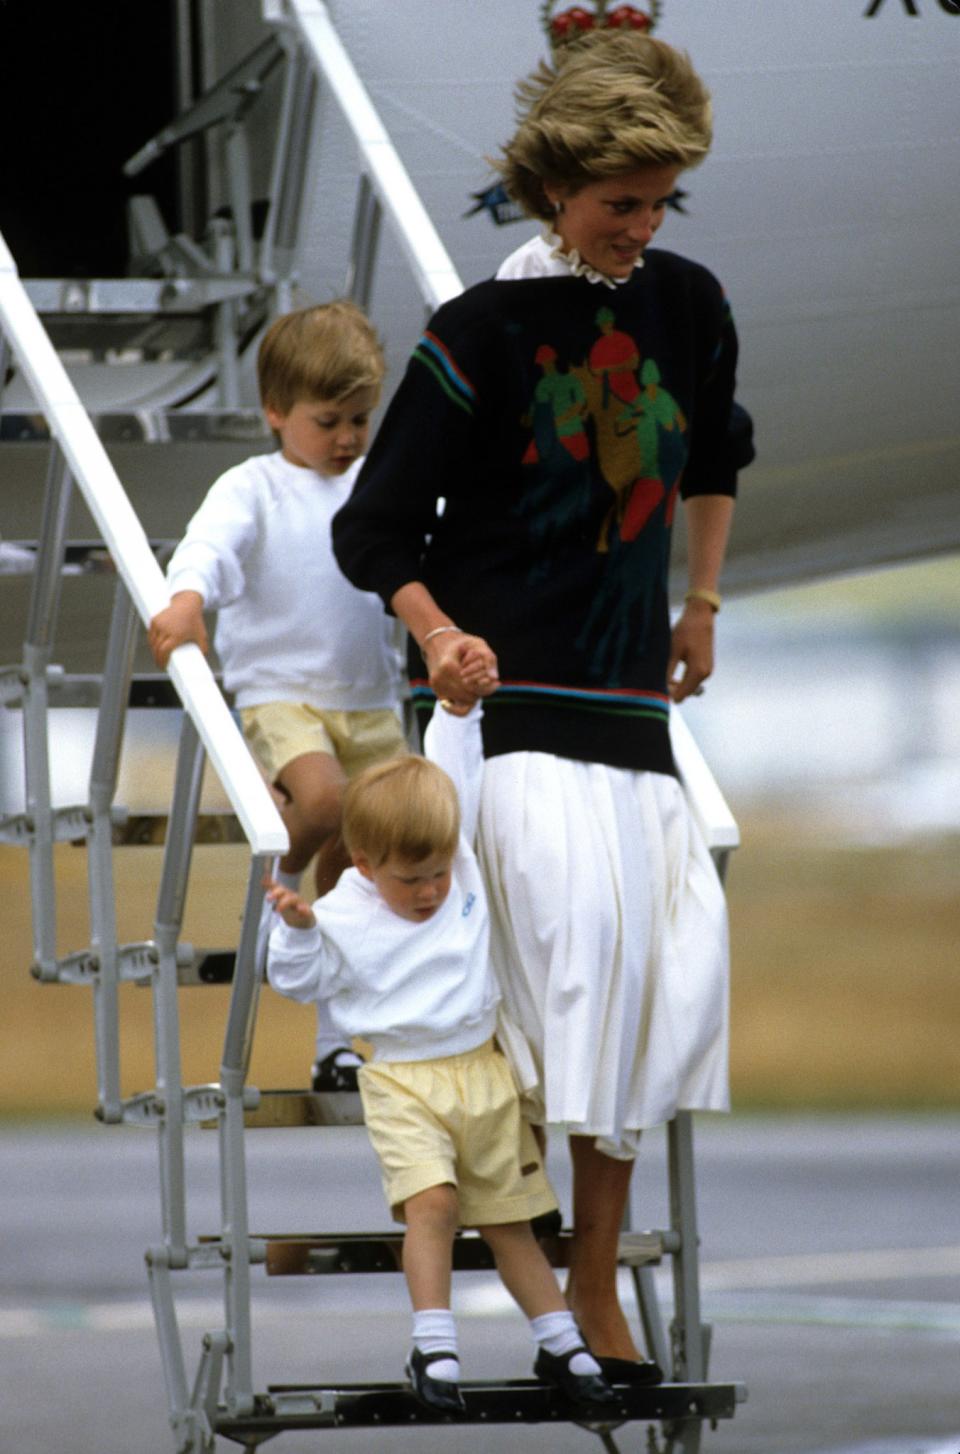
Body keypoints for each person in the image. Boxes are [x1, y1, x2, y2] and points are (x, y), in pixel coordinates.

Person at [331, 30, 755, 1378]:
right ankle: (566, 1300)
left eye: (658, 201)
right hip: (507, 708)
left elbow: (719, 451)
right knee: (560, 983)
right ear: (553, 189)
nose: (641, 226)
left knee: (655, 987)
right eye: (619, 202)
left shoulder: (688, 302)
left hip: (634, 698)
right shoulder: (483, 331)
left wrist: (703, 602)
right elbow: (377, 528)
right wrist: (440, 632)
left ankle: (588, 1278)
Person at [263, 702, 619, 1416]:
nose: (429, 891)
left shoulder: (460, 872)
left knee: (510, 1219)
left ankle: (558, 1340)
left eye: (437, 875)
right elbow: (297, 981)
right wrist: (299, 931)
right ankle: (432, 1339)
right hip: (403, 1081)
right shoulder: (343, 912)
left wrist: (459, 708)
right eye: (411, 879)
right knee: (433, 1203)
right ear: (364, 865)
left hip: (483, 1073)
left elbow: (456, 769)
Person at [148, 301, 407, 1092]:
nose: (348, 438)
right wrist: (187, 598)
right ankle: (274, 884)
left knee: (366, 870)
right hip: (281, 697)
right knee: (324, 805)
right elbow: (210, 548)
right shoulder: (254, 487)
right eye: (328, 420)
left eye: (361, 418)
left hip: (371, 704)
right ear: (274, 411)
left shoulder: (378, 484)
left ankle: (338, 1041)